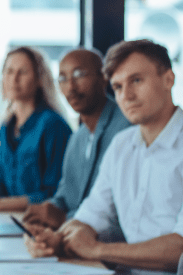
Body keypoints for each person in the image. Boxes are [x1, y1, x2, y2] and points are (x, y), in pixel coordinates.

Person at [26, 39, 183, 272]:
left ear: (168, 79)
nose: (127, 95)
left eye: (136, 80)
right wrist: (57, 239)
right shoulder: (121, 145)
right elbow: (91, 215)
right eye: (118, 87)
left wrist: (97, 250)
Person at [22, 48, 131, 230]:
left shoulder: (127, 129)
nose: (71, 87)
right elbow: (64, 196)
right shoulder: (77, 138)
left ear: (104, 77)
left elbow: (117, 209)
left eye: (79, 75)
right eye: (63, 78)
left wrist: (64, 218)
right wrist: (49, 209)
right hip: (73, 236)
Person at [0, 46, 72, 212]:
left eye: (22, 72)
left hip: (40, 223)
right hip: (9, 220)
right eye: (9, 71)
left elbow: (55, 195)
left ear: (40, 79)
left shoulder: (53, 125)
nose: (14, 79)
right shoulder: (6, 127)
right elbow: (1, 188)